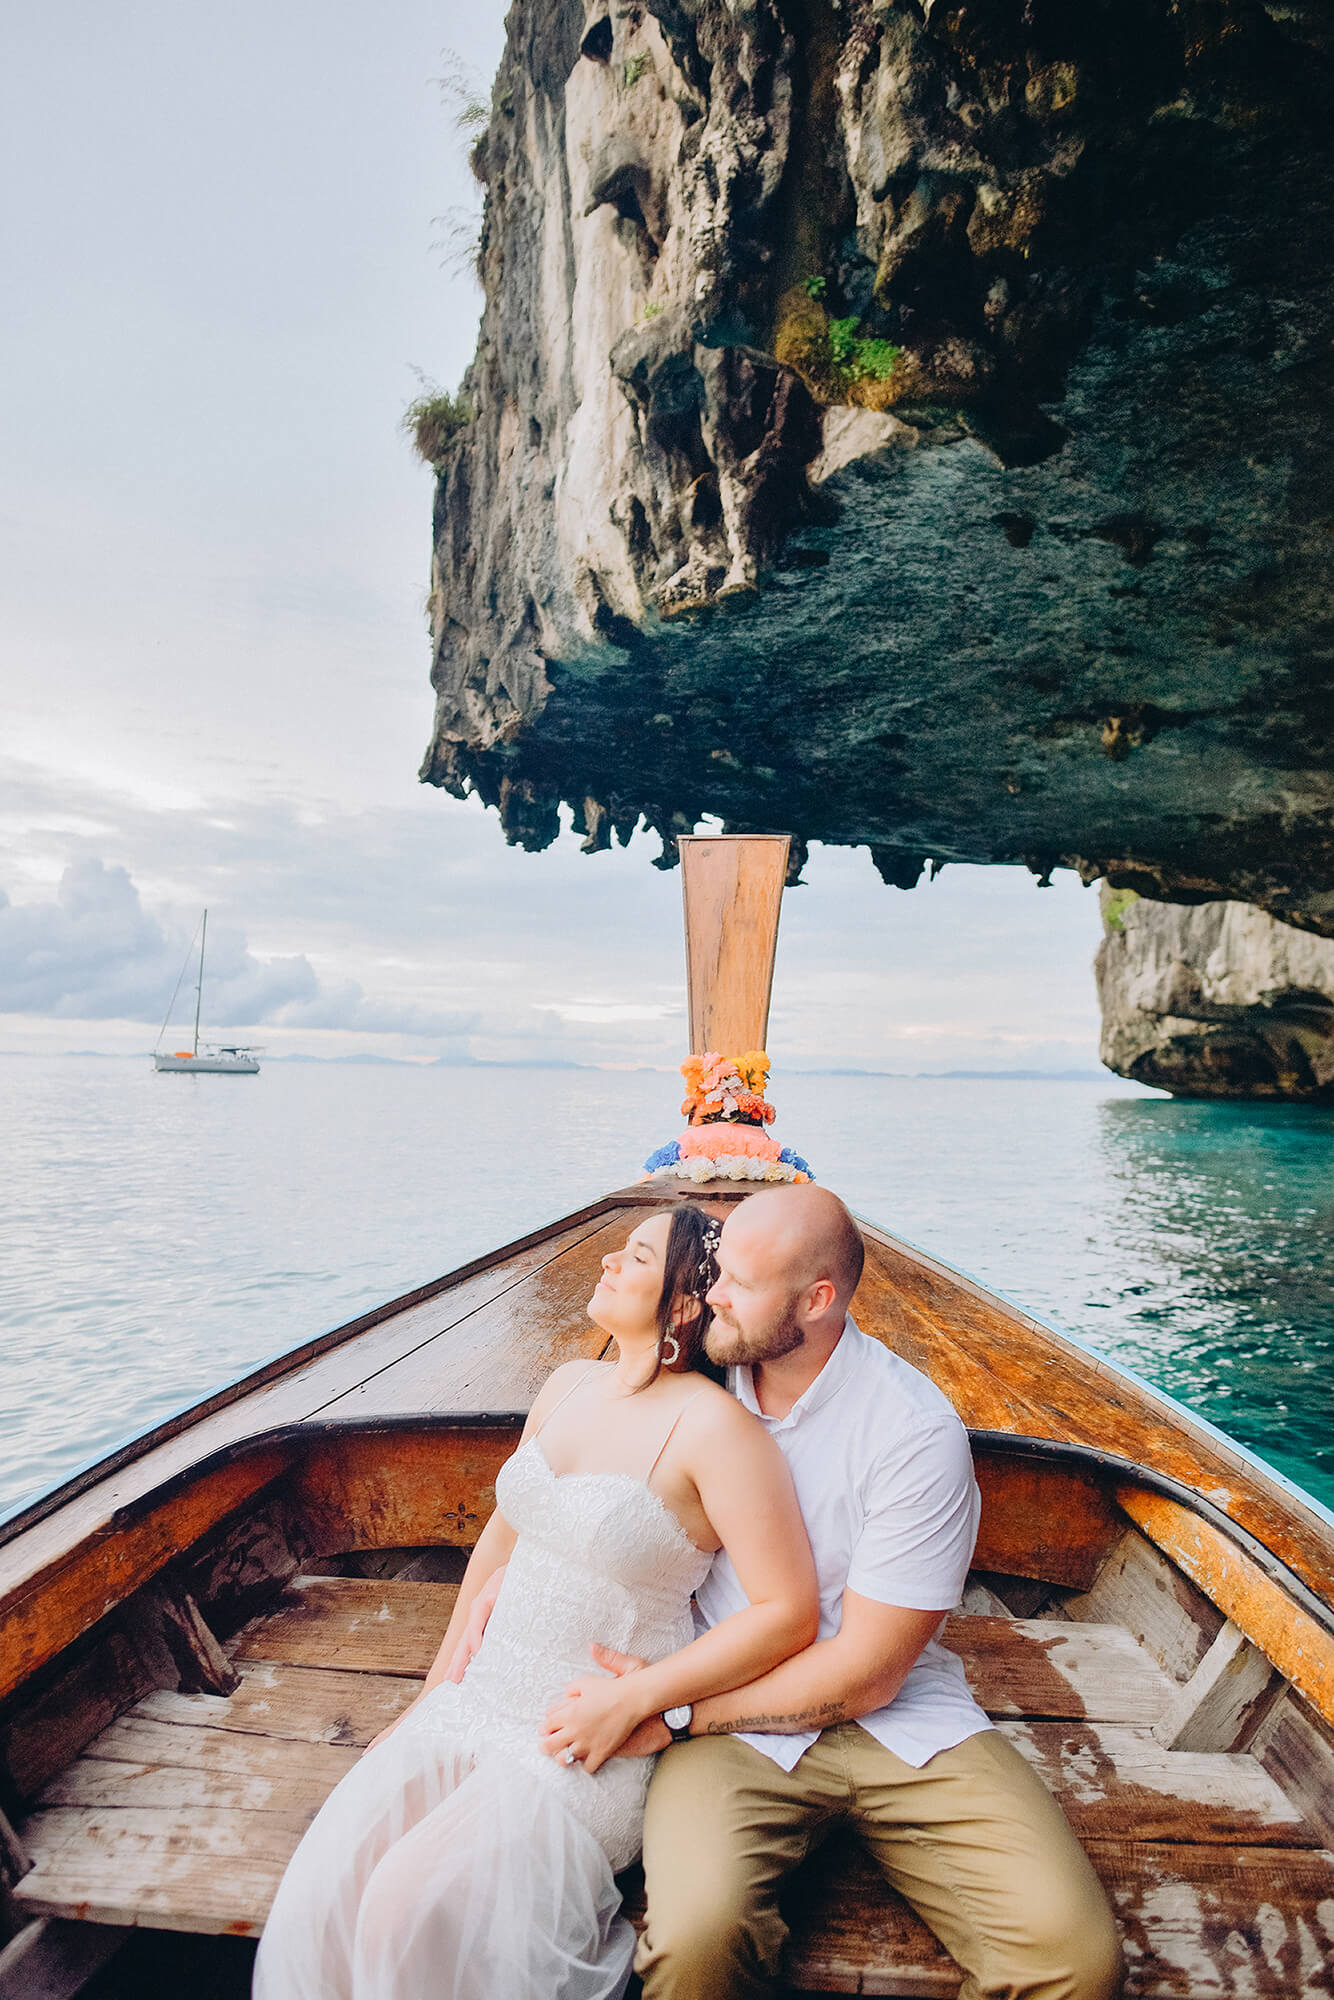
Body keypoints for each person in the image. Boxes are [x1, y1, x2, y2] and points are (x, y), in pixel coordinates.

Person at [540, 1184, 1124, 2000]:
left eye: (739, 1283)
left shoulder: (911, 1432)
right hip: (726, 1710)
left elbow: (869, 1673)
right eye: (714, 1273)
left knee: (1076, 1958)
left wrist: (666, 1712)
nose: (712, 1295)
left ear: (815, 1301)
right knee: (695, 1941)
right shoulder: (701, 1371)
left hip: (891, 1719)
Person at [251, 1203, 818, 2000]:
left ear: (685, 1304)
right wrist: (430, 1697)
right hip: (478, 1698)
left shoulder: (717, 1432)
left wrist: (638, 1699)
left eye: (637, 1257)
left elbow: (786, 1611)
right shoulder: (566, 1385)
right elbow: (499, 1543)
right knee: (334, 1880)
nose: (609, 1263)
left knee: (404, 1909)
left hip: (581, 1737)